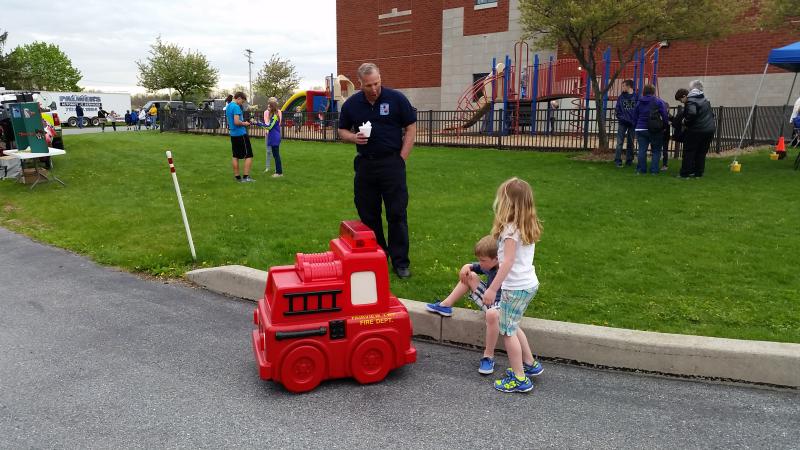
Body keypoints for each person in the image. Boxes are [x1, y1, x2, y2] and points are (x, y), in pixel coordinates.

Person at [337, 62, 417, 279]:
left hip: (392, 163)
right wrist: (353, 137)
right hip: (365, 165)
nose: (374, 89)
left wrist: (402, 157)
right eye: (368, 85)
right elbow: (342, 129)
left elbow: (411, 127)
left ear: (381, 78)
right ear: (360, 84)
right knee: (368, 214)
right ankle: (379, 256)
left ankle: (401, 262)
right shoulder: (352, 105)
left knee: (397, 213)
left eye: (377, 83)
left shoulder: (396, 99)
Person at [425, 235, 542, 377]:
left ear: (497, 258)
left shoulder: (506, 269)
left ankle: (488, 357)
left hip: (503, 305)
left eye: (483, 260)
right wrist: (466, 266)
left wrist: (492, 290)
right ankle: (445, 305)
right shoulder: (489, 265)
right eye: (480, 260)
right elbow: (474, 267)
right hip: (490, 301)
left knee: (495, 316)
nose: (481, 263)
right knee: (470, 276)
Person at [484, 177, 543, 393]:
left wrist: (491, 289)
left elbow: (507, 262)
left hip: (515, 287)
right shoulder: (527, 225)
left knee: (507, 332)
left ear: (507, 203)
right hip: (528, 284)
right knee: (513, 325)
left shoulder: (510, 230)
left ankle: (519, 378)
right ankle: (529, 364)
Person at [680, 80, 716, 179]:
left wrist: (685, 121)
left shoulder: (691, 100)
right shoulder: (706, 99)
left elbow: (691, 113)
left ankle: (685, 173)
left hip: (696, 130)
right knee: (701, 152)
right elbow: (712, 114)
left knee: (689, 152)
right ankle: (698, 173)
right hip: (709, 129)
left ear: (691, 89)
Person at [632, 84, 669, 175]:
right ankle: (654, 171)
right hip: (655, 128)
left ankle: (641, 170)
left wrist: (637, 125)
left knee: (642, 150)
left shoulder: (639, 102)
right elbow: (664, 115)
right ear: (653, 92)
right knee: (656, 150)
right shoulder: (658, 101)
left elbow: (635, 115)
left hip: (640, 128)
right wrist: (664, 126)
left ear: (644, 91)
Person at [226, 91, 255, 183]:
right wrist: (245, 123)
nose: (242, 103)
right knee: (249, 155)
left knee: (235, 156)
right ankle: (246, 177)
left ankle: (237, 177)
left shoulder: (229, 106)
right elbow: (236, 122)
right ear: (238, 98)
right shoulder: (236, 107)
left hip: (233, 134)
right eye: (242, 101)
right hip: (240, 134)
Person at [614, 79, 638, 167]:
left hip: (632, 123)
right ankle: (617, 161)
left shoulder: (636, 97)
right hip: (623, 123)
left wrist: (634, 120)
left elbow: (638, 110)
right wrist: (623, 119)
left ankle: (629, 161)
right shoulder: (621, 97)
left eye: (623, 86)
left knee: (630, 142)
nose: (622, 88)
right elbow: (617, 110)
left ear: (628, 86)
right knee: (619, 143)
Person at [263, 97, 283, 176]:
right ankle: (278, 171)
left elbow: (269, 127)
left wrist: (258, 123)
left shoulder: (275, 116)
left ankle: (278, 172)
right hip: (274, 135)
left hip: (274, 136)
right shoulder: (273, 114)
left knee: (276, 154)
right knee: (275, 154)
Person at [670, 89, 689, 167]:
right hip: (694, 131)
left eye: (680, 99)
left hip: (690, 132)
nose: (681, 102)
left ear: (684, 96)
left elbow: (680, 120)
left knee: (688, 153)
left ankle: (686, 171)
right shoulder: (690, 105)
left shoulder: (689, 105)